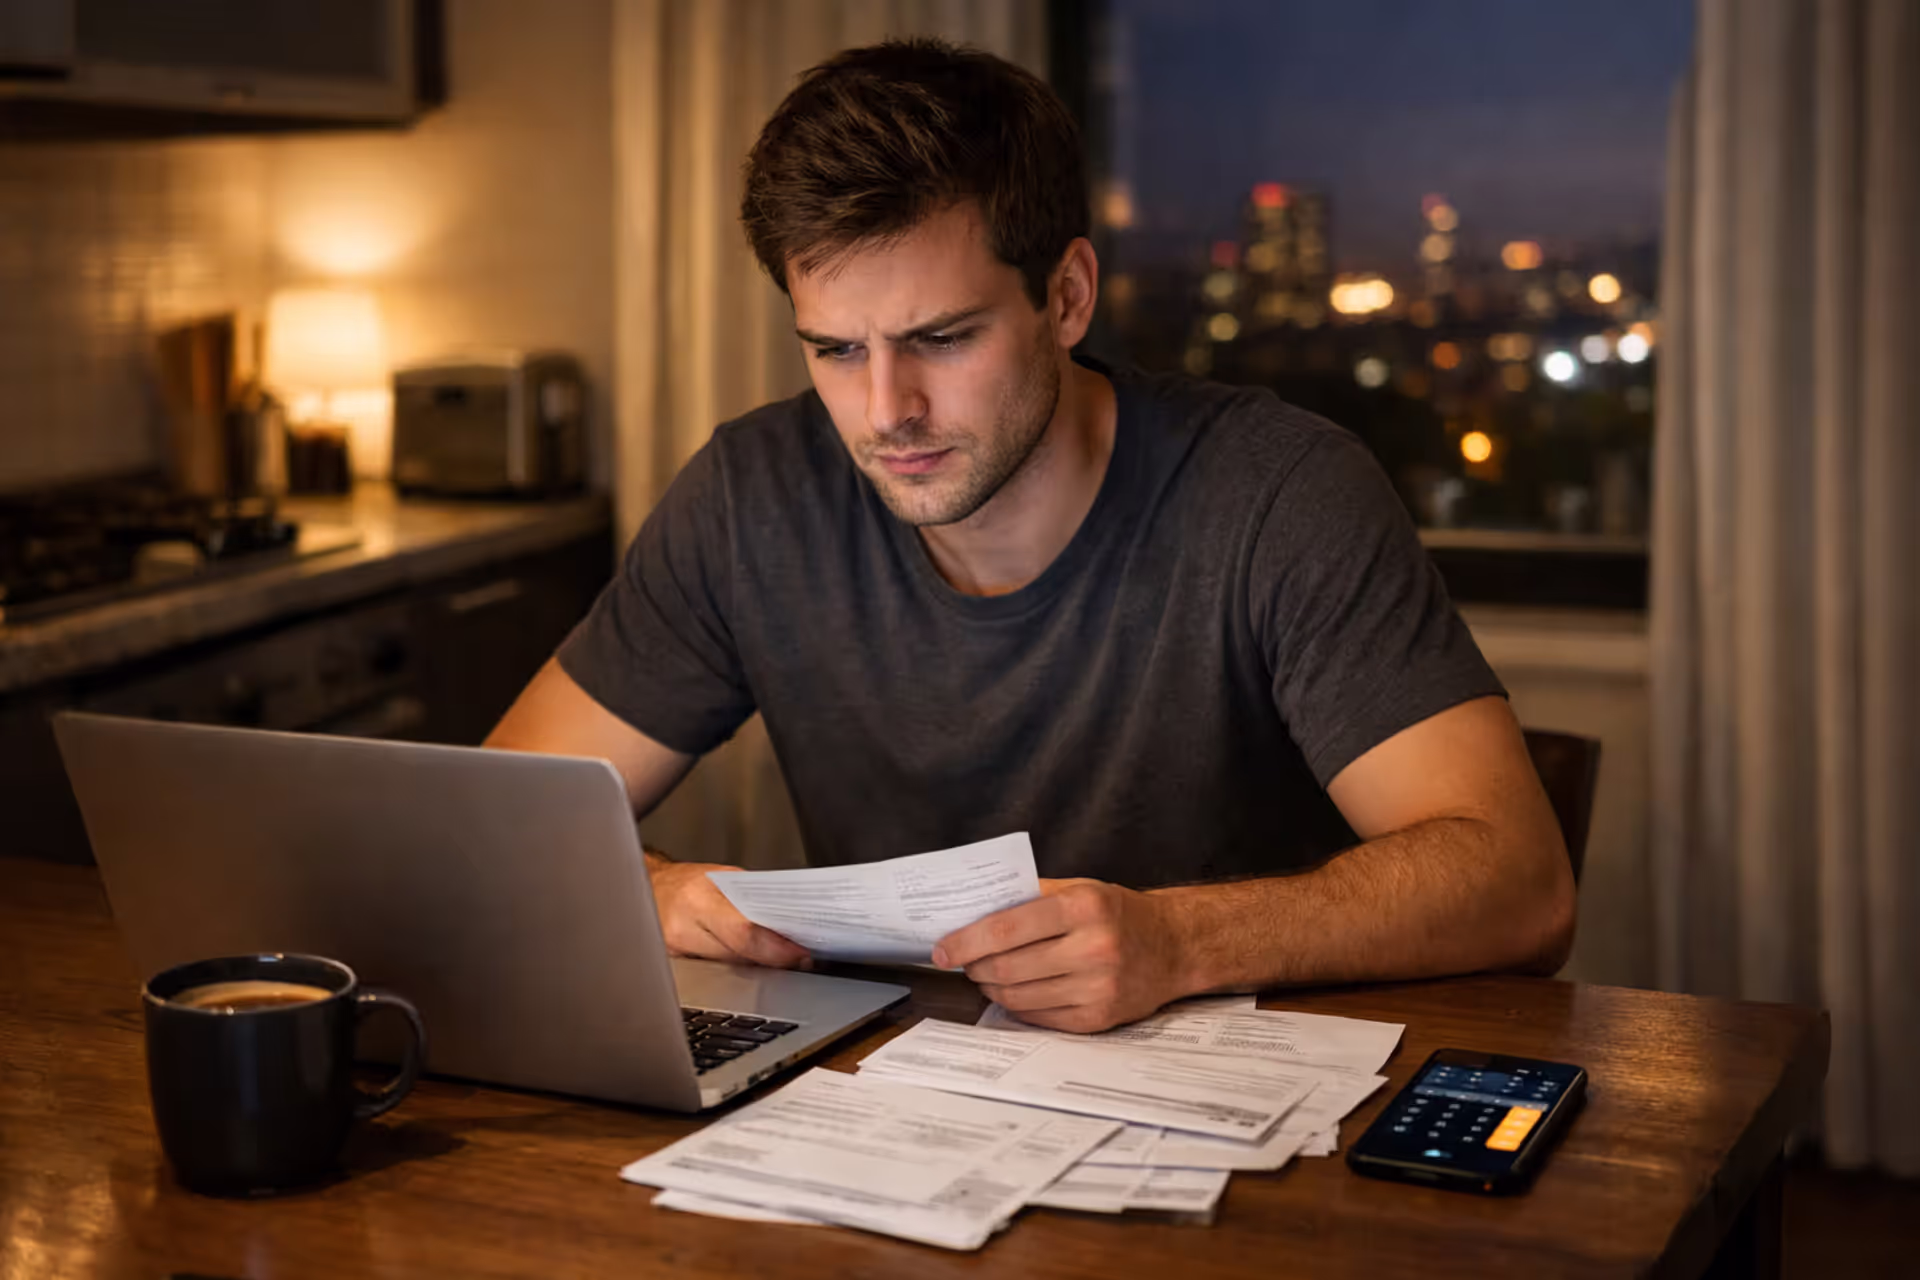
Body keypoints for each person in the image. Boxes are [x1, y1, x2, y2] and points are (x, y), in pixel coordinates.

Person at [487, 39, 1575, 1033]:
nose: (885, 411)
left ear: (1066, 296)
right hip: (892, 1118)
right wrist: (658, 887)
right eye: (833, 351)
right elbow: (496, 815)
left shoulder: (1277, 491)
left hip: (1241, 1116)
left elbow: (1521, 882)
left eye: (941, 339)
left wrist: (1182, 940)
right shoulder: (752, 495)